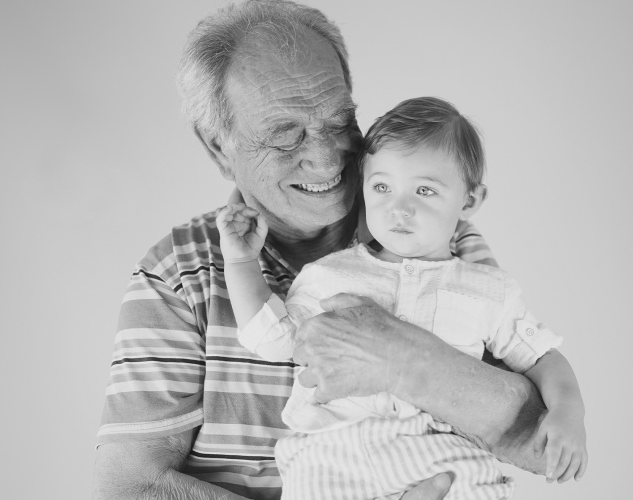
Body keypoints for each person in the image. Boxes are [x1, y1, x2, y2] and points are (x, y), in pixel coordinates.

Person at [93, 2, 552, 499]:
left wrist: (404, 359)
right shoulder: (175, 274)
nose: (325, 157)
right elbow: (131, 485)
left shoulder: (435, 240)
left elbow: (536, 441)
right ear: (219, 148)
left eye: (339, 123)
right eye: (284, 136)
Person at [216, 97, 588, 499]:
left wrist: (570, 413)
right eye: (382, 187)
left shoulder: (489, 290)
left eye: (424, 190)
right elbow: (271, 338)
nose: (400, 208)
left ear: (469, 201)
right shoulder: (330, 275)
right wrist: (240, 262)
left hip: (440, 452)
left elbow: (541, 357)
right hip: (332, 452)